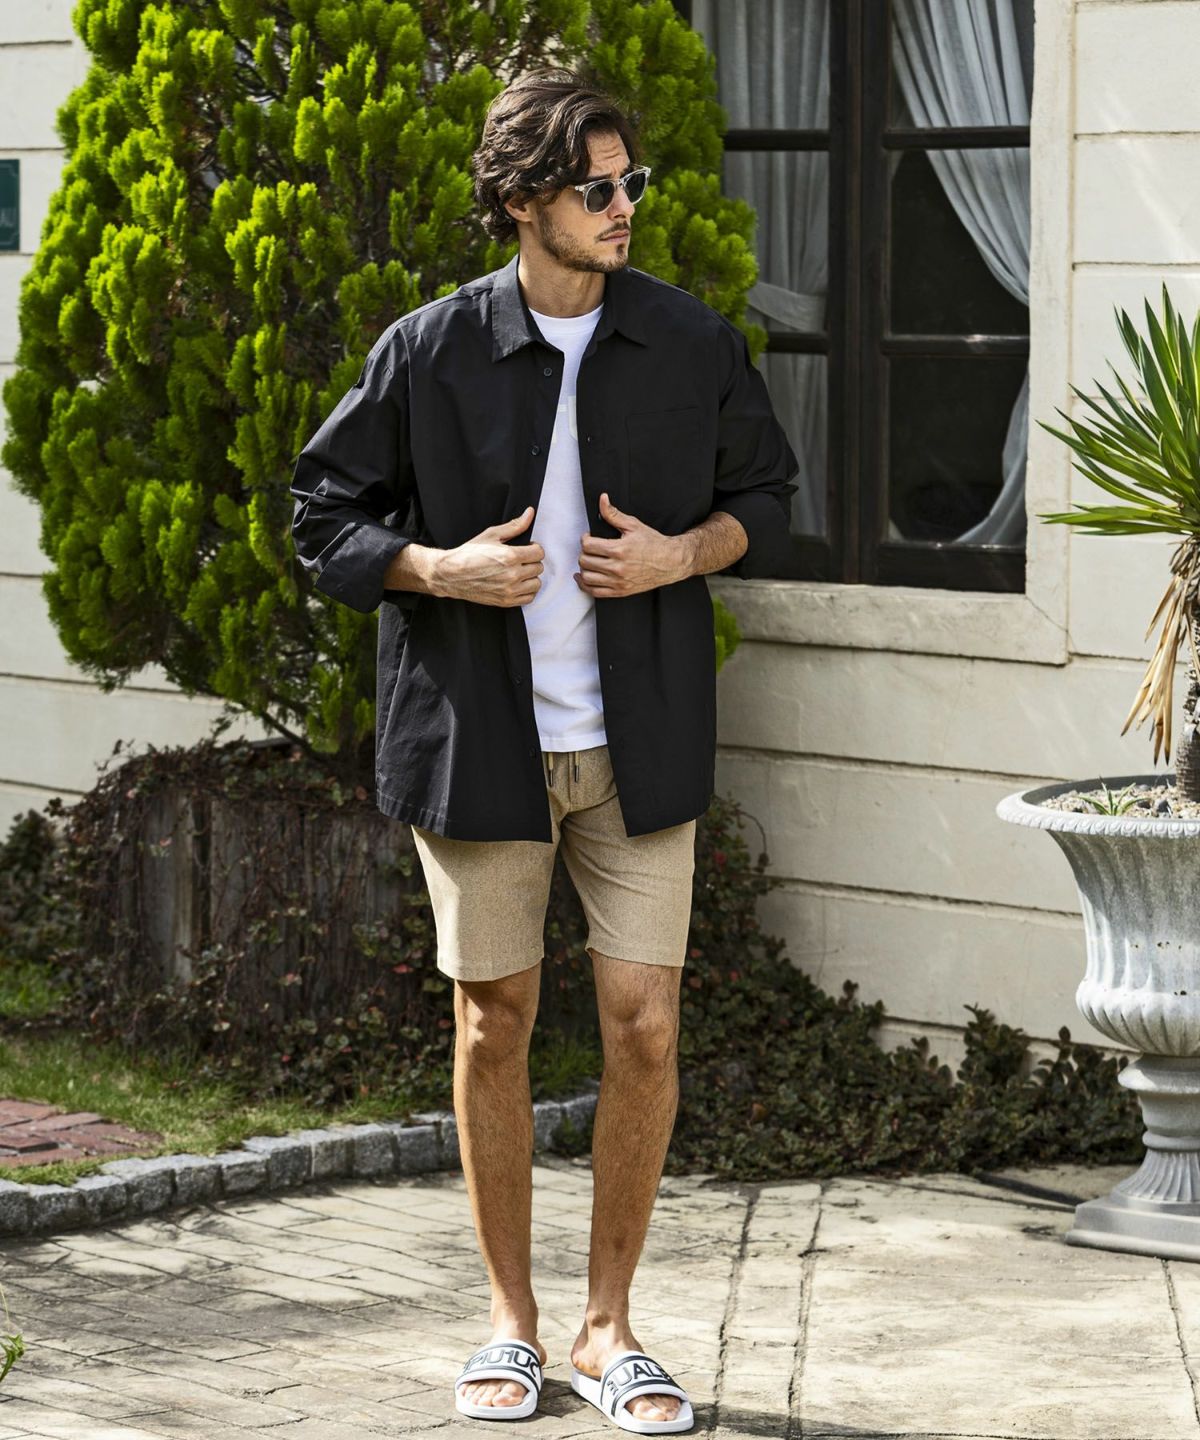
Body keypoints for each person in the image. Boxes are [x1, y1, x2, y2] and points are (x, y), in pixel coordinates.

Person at [290, 67, 798, 1434]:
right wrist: (436, 568)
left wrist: (683, 554)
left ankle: (609, 1327)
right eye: (598, 188)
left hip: (640, 743)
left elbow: (766, 494)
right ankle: (511, 1326)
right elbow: (320, 516)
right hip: (482, 745)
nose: (626, 206)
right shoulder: (429, 350)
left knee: (645, 1023)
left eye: (634, 183)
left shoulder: (688, 342)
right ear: (524, 202)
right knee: (493, 1022)